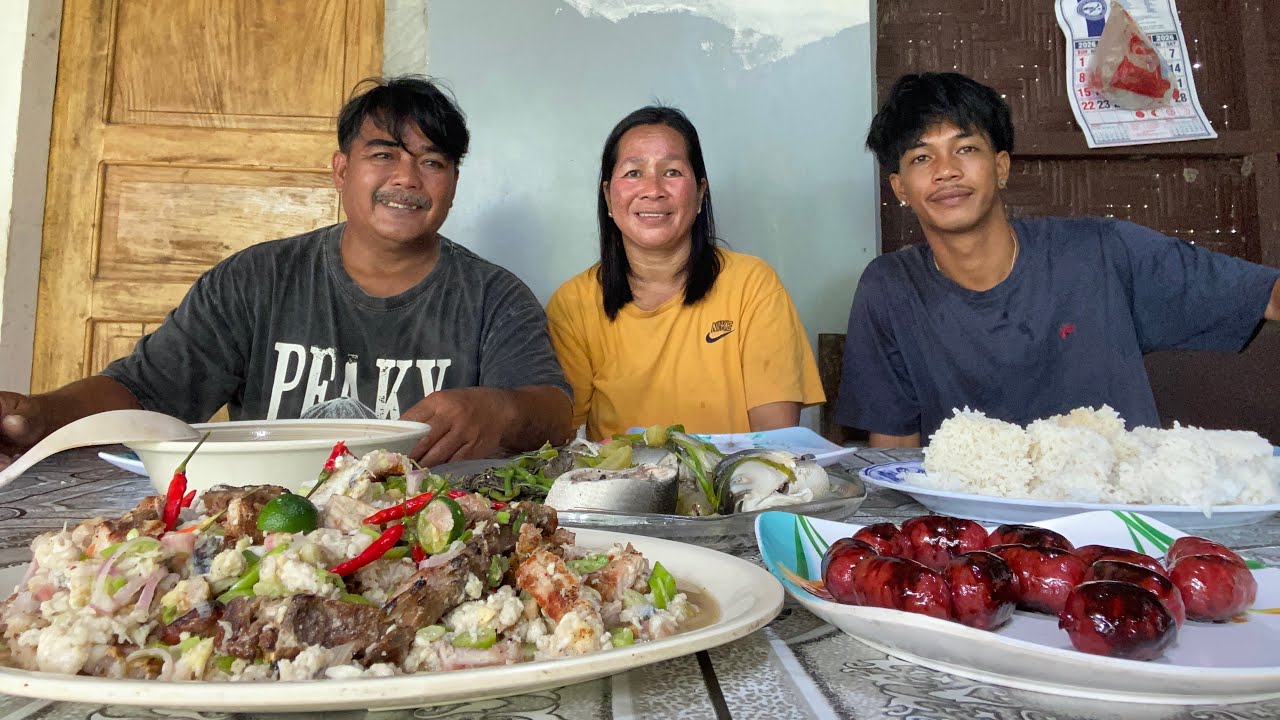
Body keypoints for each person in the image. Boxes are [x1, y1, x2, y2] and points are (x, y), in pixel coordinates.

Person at [0, 76, 573, 467]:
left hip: (432, 537)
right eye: (384, 155)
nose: (407, 178)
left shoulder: (494, 296)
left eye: (432, 162)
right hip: (266, 533)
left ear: (453, 184)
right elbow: (143, 393)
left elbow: (554, 414)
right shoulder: (255, 281)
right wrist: (42, 416)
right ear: (341, 170)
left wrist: (498, 411)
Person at [837, 72, 1280, 448]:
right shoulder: (890, 287)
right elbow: (893, 453)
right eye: (921, 157)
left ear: (1002, 166)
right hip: (973, 519)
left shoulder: (1104, 251)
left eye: (966, 149)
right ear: (900, 188)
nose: (946, 170)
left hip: (1120, 512)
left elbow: (1269, 296)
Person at [546, 105, 824, 441]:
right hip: (624, 477)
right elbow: (556, 434)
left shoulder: (752, 285)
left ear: (700, 191)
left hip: (736, 475)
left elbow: (776, 439)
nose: (653, 189)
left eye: (672, 172)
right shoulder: (574, 303)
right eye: (633, 173)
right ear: (607, 195)